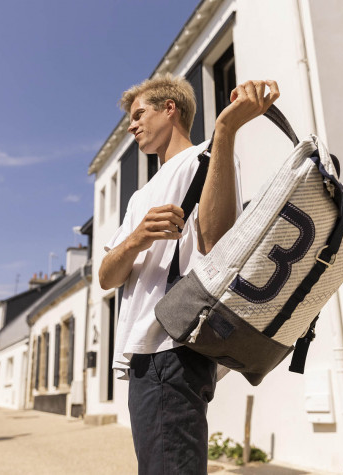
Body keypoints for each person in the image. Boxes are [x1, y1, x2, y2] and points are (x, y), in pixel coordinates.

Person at [99, 74, 280, 474]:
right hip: (141, 357)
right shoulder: (139, 197)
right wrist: (134, 240)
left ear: (170, 109)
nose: (132, 125)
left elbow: (215, 241)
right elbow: (106, 278)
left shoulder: (206, 157)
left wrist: (226, 130)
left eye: (139, 114)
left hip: (172, 348)